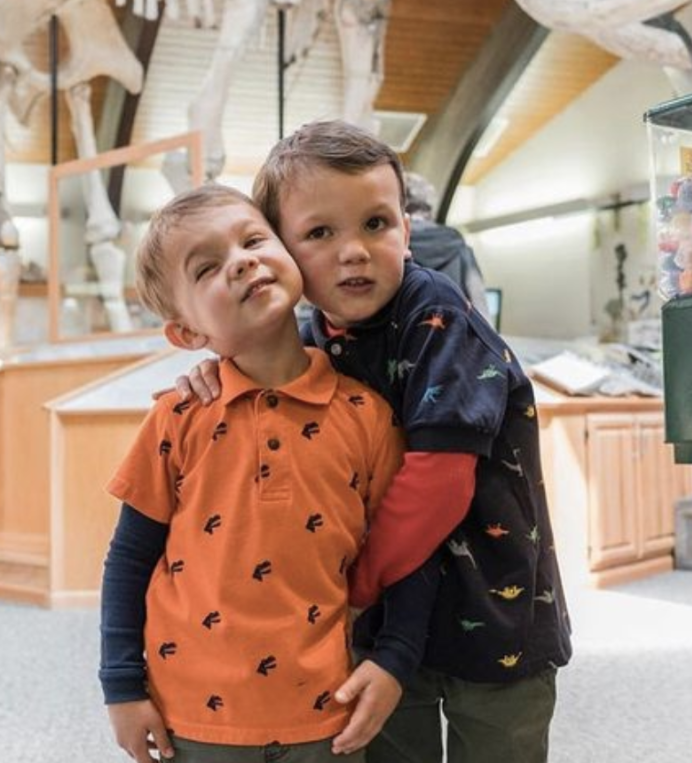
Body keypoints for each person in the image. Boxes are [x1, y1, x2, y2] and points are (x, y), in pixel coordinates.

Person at [181, 122, 572, 763]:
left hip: (492, 608)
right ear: (283, 251)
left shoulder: (436, 315)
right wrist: (216, 367)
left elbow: (438, 483)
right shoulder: (310, 336)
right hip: (387, 628)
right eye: (319, 233)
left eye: (375, 224)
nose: (354, 251)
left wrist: (353, 585)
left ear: (406, 230)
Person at [100, 183, 439, 763]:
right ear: (187, 334)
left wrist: (393, 659)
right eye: (207, 268)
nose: (241, 261)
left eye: (254, 240)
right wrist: (122, 687)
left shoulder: (368, 416)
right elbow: (130, 559)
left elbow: (407, 553)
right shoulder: (176, 417)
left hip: (327, 713)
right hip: (192, 716)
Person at [402, 170, 492, 321]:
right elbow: (479, 304)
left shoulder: (393, 244)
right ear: (430, 205)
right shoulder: (458, 244)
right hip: (453, 336)